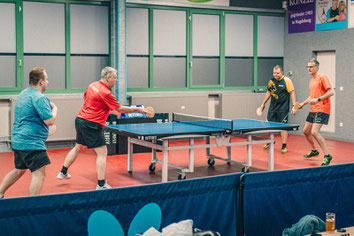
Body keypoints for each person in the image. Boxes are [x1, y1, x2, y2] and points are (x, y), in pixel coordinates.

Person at [57, 66, 149, 190]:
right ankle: (101, 184)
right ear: (108, 77)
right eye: (115, 77)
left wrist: (104, 111)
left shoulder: (92, 85)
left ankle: (63, 172)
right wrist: (138, 109)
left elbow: (89, 100)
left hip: (80, 120)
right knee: (102, 152)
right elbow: (120, 109)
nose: (116, 80)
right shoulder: (106, 92)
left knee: (78, 146)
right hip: (91, 123)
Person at [0, 68, 58, 198]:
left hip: (18, 141)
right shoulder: (39, 98)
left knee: (19, 170)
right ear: (41, 82)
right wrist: (55, 109)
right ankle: (32, 203)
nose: (48, 82)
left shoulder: (24, 94)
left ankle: (0, 193)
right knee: (39, 174)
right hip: (31, 143)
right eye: (47, 79)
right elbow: (49, 120)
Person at [299, 58, 334, 166]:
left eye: (311, 67)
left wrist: (319, 99)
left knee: (314, 132)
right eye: (307, 67)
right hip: (313, 109)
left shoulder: (322, 77)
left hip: (322, 108)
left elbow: (331, 91)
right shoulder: (311, 80)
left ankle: (327, 155)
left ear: (317, 67)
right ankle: (314, 150)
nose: (309, 68)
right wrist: (302, 104)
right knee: (305, 131)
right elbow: (312, 96)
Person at [259, 65, 297, 154]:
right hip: (272, 107)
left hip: (283, 108)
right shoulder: (271, 81)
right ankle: (270, 141)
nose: (276, 75)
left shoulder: (287, 80)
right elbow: (268, 92)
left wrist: (294, 105)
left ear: (282, 72)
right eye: (274, 73)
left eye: (278, 73)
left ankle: (284, 145)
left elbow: (292, 93)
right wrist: (263, 104)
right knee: (268, 126)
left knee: (283, 127)